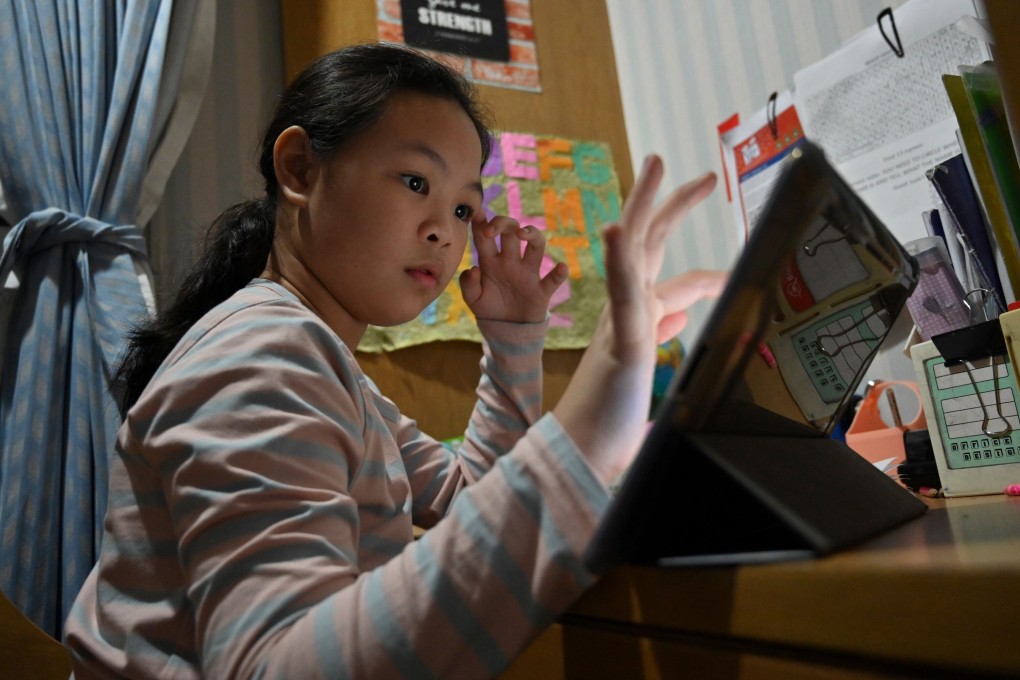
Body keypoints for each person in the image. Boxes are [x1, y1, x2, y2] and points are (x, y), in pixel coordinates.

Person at [64, 42, 724, 678]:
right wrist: (584, 438)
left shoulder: (322, 362)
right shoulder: (262, 351)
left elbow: (471, 497)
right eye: (416, 181)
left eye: (464, 206)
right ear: (299, 168)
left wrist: (516, 334)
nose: (445, 229)